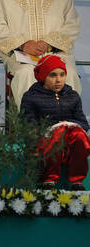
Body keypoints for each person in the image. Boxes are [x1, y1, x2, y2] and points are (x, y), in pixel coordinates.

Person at [20, 55, 90, 190]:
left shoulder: (73, 95)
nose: (58, 80)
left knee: (79, 135)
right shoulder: (31, 96)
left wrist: (66, 124)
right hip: (46, 138)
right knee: (57, 134)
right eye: (52, 75)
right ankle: (48, 179)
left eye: (62, 75)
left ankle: (76, 181)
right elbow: (27, 123)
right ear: (43, 77)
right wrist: (53, 128)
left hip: (70, 137)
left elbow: (83, 123)